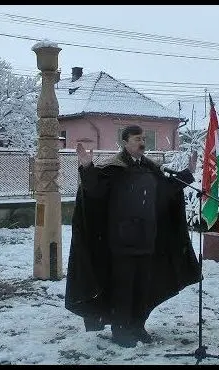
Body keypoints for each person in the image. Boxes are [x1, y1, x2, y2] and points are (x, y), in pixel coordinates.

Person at [64, 125, 201, 348]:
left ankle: (138, 325)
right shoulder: (114, 169)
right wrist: (87, 167)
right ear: (125, 142)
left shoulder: (151, 170)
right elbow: (95, 190)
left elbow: (167, 190)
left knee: (143, 287)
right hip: (122, 243)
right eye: (137, 139)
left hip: (148, 240)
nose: (142, 142)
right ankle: (121, 329)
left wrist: (187, 174)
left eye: (143, 138)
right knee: (123, 288)